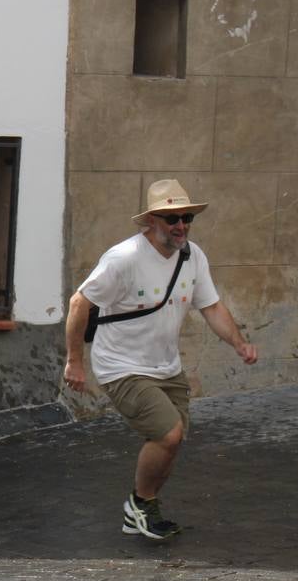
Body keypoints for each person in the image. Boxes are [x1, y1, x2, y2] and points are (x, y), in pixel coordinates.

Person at [64, 179, 257, 541]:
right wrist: (75, 361)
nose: (181, 225)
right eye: (172, 219)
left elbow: (210, 306)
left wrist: (239, 343)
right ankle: (139, 505)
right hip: (121, 365)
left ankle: (141, 507)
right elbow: (79, 303)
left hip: (166, 367)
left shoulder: (192, 256)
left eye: (186, 217)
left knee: (175, 438)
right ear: (150, 221)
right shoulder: (124, 259)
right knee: (168, 434)